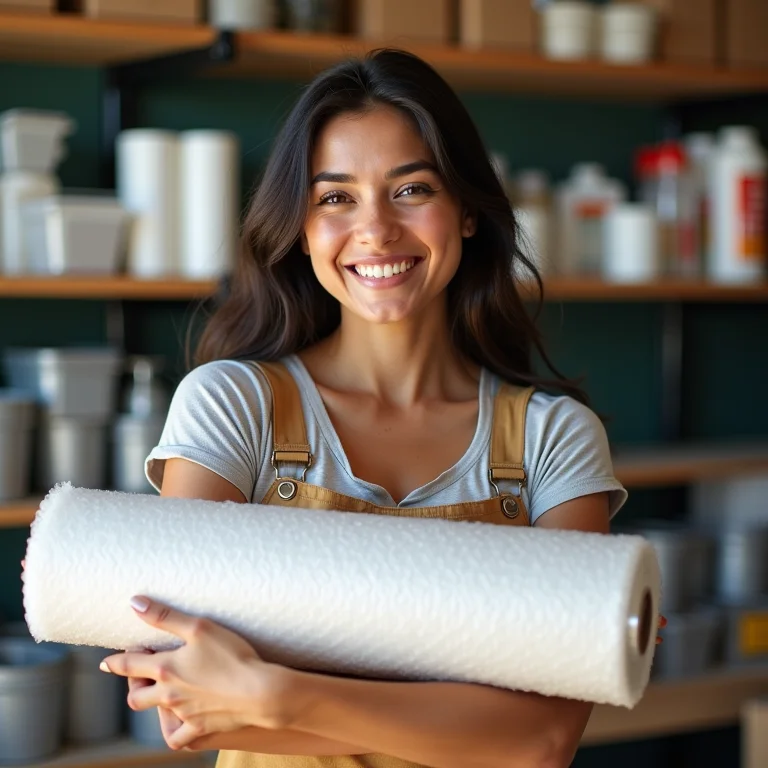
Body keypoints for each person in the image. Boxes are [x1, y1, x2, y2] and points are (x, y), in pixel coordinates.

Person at [101, 49, 638, 768]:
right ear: (300, 227)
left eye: (411, 189)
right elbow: (185, 706)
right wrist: (476, 717)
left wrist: (276, 695)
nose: (376, 230)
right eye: (335, 198)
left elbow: (543, 741)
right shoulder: (231, 406)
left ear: (467, 212)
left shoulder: (554, 437)